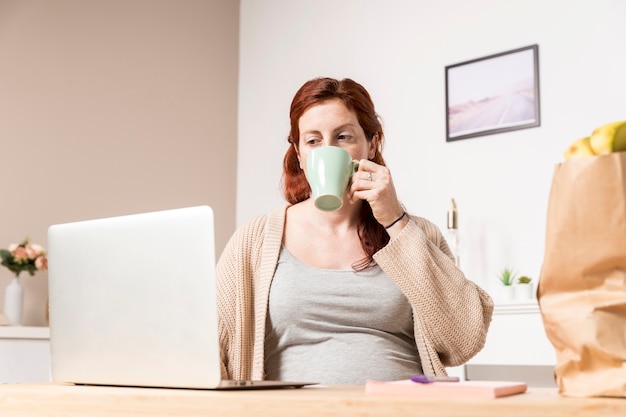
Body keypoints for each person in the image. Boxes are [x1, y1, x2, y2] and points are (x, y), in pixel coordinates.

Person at [216, 77, 494, 385]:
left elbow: (463, 340)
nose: (328, 150)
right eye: (313, 141)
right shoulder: (254, 239)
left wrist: (395, 221)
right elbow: (210, 349)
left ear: (372, 145)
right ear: (299, 154)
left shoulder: (416, 233)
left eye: (343, 137)